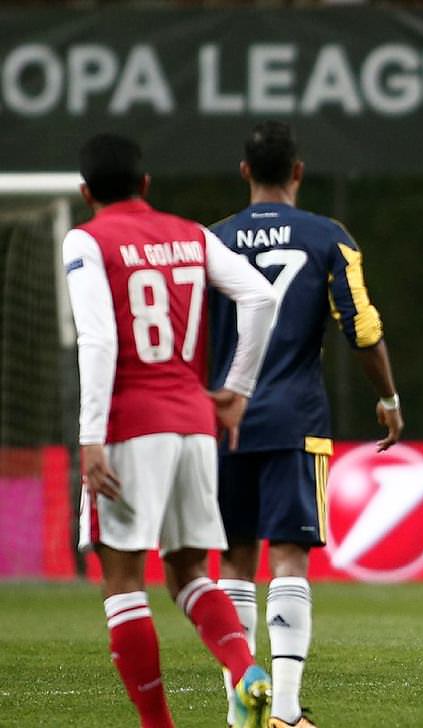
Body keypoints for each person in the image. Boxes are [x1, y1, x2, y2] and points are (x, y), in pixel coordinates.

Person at [63, 132, 278, 727]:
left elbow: (98, 338)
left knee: (123, 582)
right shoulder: (191, 234)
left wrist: (90, 436)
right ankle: (245, 669)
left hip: (130, 427)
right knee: (188, 574)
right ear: (146, 184)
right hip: (194, 425)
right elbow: (260, 297)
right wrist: (238, 389)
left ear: (85, 192)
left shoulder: (87, 240)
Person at [209, 121, 403, 728]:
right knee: (289, 556)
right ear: (298, 171)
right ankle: (287, 712)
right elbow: (362, 328)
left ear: (245, 172)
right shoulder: (327, 237)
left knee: (235, 560)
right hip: (295, 419)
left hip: (225, 421)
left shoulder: (211, 241)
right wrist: (388, 398)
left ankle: (242, 710)